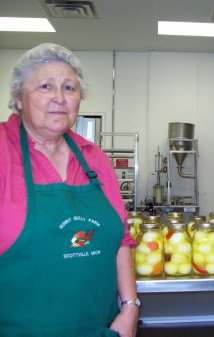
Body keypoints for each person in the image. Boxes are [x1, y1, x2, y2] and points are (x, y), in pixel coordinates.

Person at [0, 43, 139, 337]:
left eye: (69, 88)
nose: (59, 99)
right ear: (18, 98)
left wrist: (130, 308)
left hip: (99, 328)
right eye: (46, 86)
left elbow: (122, 240)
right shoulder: (2, 151)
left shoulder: (94, 157)